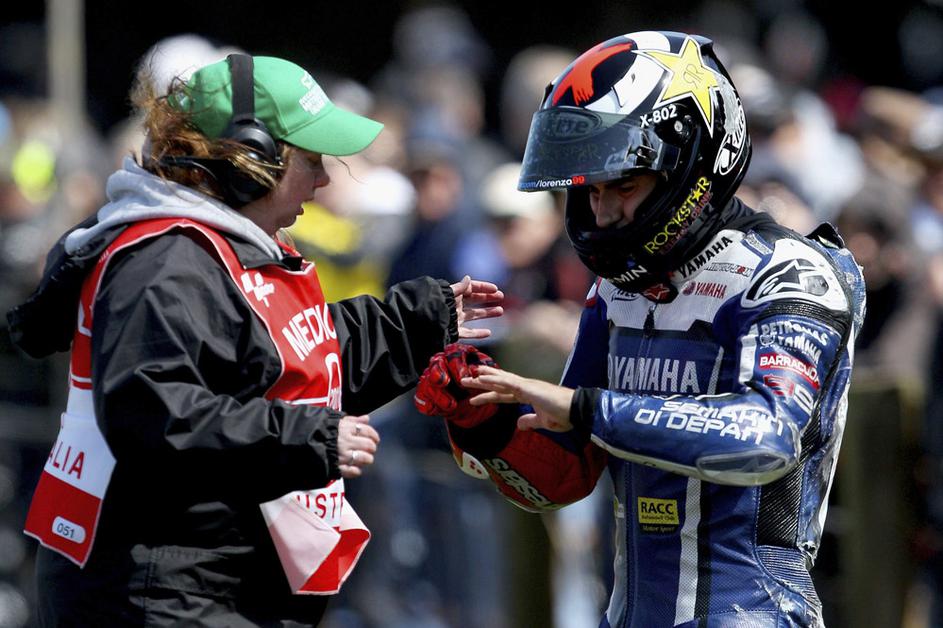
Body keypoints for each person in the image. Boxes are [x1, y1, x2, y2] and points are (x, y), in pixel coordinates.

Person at [6, 53, 503, 626]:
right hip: (159, 592)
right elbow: (156, 415)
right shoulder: (164, 263)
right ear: (249, 159)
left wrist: (420, 321)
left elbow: (292, 358)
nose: (323, 179)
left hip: (201, 581)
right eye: (311, 160)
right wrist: (310, 437)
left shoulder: (217, 247)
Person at [414, 31, 866, 627]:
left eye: (624, 185)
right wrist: (485, 420)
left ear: (694, 161)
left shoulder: (789, 273)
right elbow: (564, 476)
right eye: (590, 191)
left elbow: (768, 437)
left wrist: (586, 408)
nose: (603, 212)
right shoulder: (616, 291)